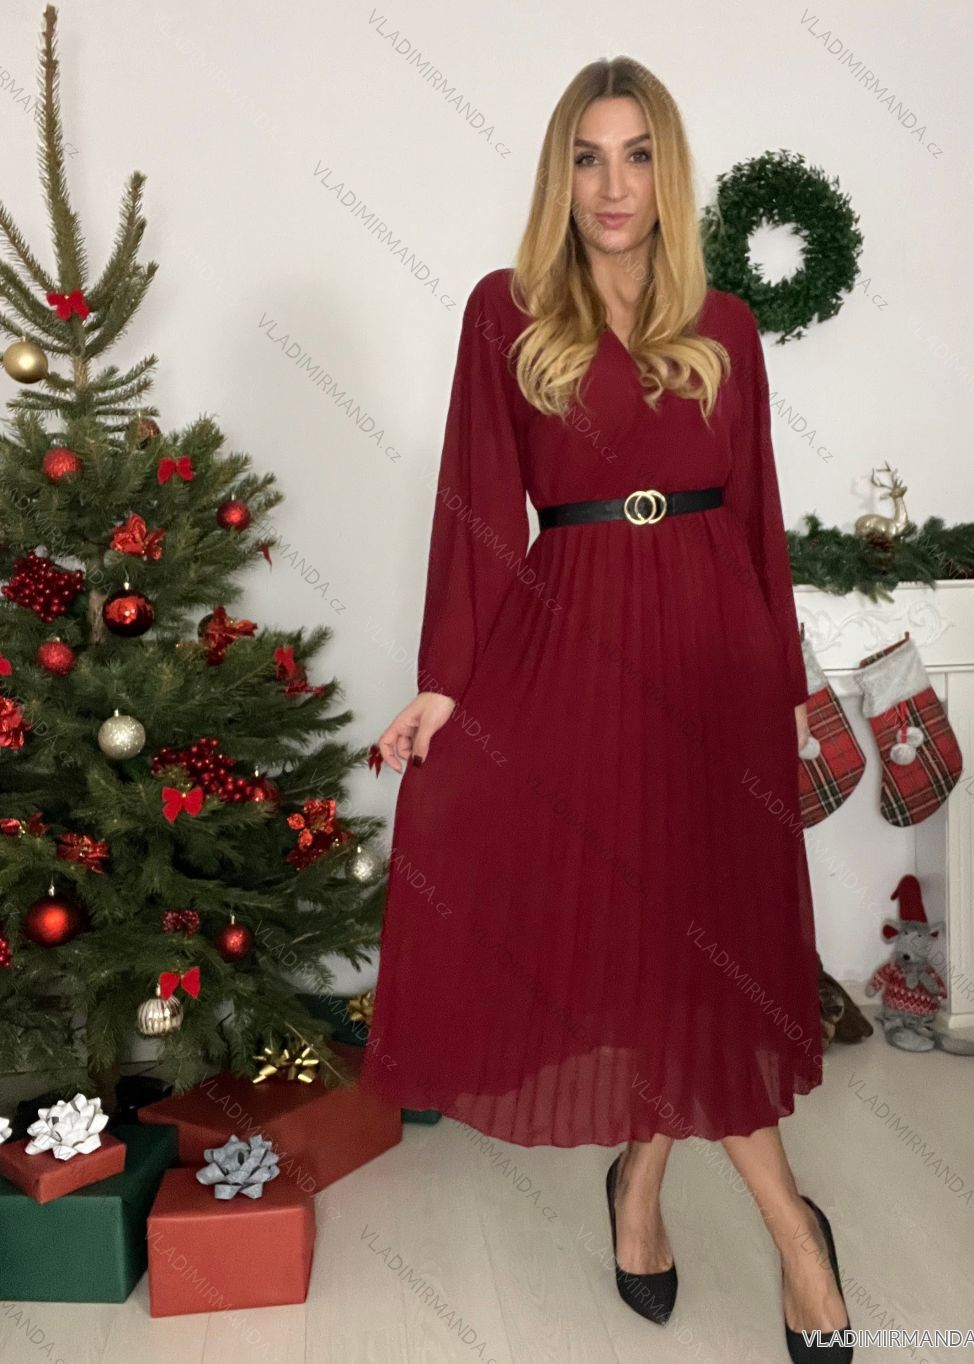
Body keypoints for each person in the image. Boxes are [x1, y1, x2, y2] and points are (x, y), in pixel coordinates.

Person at [362, 56, 853, 1362]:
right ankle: (786, 1233)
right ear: (560, 174)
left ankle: (664, 1191)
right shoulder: (507, 311)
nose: (613, 184)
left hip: (714, 655)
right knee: (636, 939)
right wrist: (444, 682)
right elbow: (477, 503)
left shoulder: (726, 324)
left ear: (667, 172)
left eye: (637, 155)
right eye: (588, 156)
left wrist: (787, 686)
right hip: (573, 645)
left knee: (704, 944)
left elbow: (759, 518)